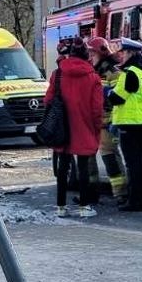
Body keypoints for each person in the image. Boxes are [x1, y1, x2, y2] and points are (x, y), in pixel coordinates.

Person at [45, 37, 104, 218]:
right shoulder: (93, 77)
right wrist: (96, 129)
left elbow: (48, 100)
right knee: (83, 167)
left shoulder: (58, 74)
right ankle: (84, 206)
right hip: (84, 125)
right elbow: (97, 109)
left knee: (63, 167)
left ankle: (60, 206)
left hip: (62, 126)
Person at [107, 38, 142, 212]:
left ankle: (134, 200)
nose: (121, 56)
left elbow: (116, 98)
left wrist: (108, 92)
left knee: (132, 163)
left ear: (130, 53)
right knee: (138, 162)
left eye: (124, 53)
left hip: (129, 123)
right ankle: (139, 198)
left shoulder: (129, 73)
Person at [87, 37, 127, 203]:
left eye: (92, 52)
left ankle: (121, 193)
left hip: (106, 122)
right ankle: (91, 193)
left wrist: (109, 120)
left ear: (100, 53)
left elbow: (116, 99)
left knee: (109, 156)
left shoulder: (114, 73)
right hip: (92, 122)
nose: (89, 56)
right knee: (87, 157)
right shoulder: (92, 71)